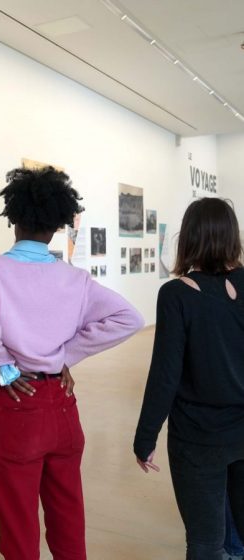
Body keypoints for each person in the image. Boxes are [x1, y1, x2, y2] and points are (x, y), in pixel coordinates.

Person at [0, 166, 143, 560]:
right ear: (58, 225)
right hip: (61, 403)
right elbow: (131, 318)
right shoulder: (74, 278)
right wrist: (65, 356)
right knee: (68, 519)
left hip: (16, 405)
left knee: (19, 524)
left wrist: (5, 366)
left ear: (13, 220)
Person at [133, 197, 244, 559]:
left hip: (198, 439)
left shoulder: (177, 294)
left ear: (188, 238)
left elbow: (166, 373)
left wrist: (145, 436)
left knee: (205, 541)